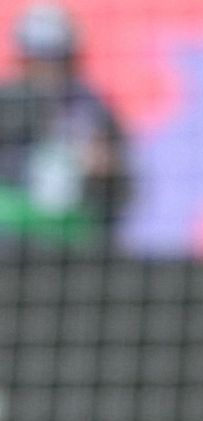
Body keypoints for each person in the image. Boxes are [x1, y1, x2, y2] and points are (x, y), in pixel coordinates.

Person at [0, 3, 128, 251]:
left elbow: (124, 192)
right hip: (10, 241)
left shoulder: (95, 112)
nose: (48, 69)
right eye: (39, 58)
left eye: (57, 58)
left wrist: (107, 173)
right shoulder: (5, 104)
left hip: (72, 244)